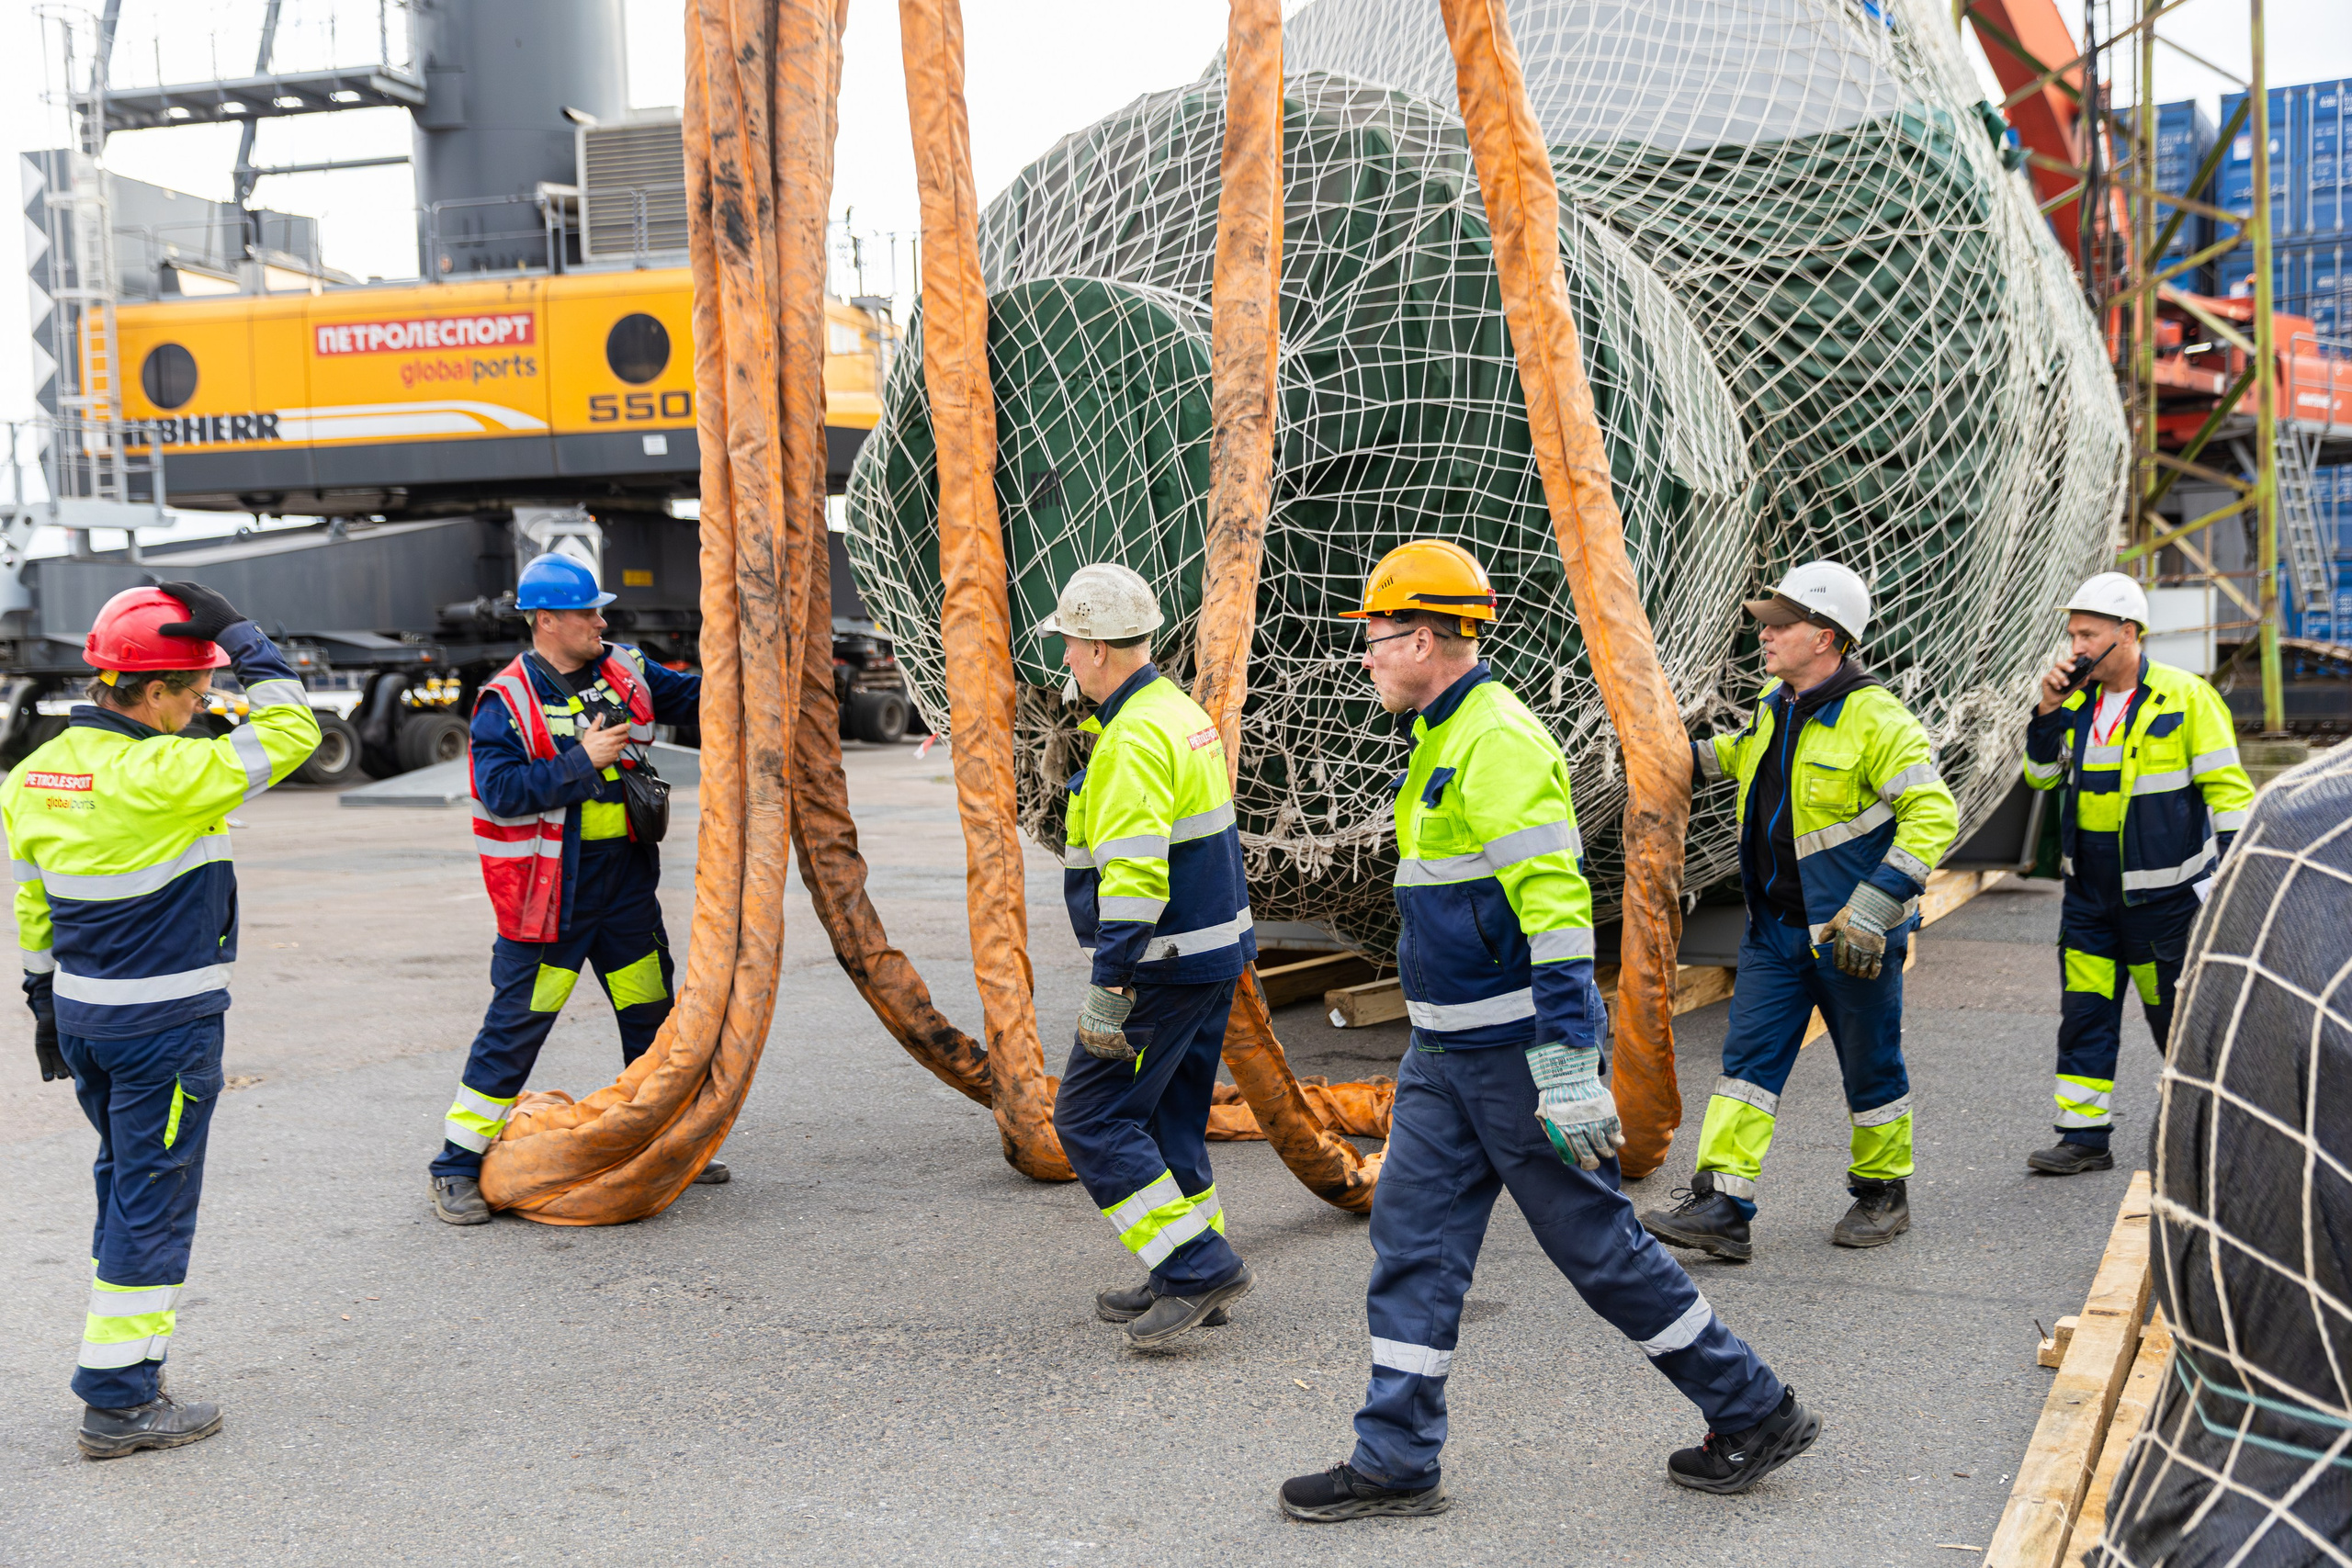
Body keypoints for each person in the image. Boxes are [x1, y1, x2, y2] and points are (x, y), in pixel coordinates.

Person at [1278, 540, 1816, 1522]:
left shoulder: (1496, 741)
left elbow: (1558, 914)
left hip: (1515, 1059)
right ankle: (1395, 1458)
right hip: (1444, 1055)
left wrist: (1567, 1063)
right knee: (1412, 1243)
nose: (1366, 654)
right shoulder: (1444, 734)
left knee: (1598, 1249)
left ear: (1427, 639)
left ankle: (1752, 1407)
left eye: (1377, 635)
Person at [6, 582, 320, 1458]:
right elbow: (294, 730)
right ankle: (118, 1401)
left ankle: (130, 1363)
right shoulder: (166, 773)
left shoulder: (34, 774)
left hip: (82, 1018)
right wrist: (244, 635)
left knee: (125, 1183)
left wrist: (41, 997)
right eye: (194, 690)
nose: (203, 706)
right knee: (153, 1200)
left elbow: (34, 901)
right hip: (163, 1027)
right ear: (150, 692)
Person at [1641, 562, 1955, 1260]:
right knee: (1746, 1066)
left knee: (1871, 1067)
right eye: (1767, 623)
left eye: (1781, 625)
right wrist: (1675, 758)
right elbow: (1748, 755)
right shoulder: (1774, 703)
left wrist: (1875, 904)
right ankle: (1724, 1205)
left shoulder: (1878, 720)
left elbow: (1934, 812)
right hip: (1775, 931)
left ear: (1825, 637)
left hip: (1851, 938)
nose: (1765, 634)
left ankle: (1882, 1192)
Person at [427, 553, 707, 1224]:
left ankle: (660, 1143)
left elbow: (703, 698)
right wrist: (583, 760)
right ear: (546, 620)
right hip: (551, 901)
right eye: (587, 613)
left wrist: (751, 658)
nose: (600, 623)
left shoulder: (626, 667)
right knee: (516, 1029)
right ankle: (455, 1166)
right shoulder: (506, 700)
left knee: (650, 1019)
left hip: (626, 891)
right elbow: (500, 792)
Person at [1044, 563, 1258, 1348]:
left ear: (1099, 648)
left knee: (1089, 1116)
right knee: (1172, 1121)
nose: (1066, 657)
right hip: (1211, 955)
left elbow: (1134, 880)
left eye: (1071, 643)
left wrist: (1110, 987)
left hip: (1159, 965)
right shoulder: (1176, 710)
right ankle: (1185, 1269)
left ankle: (1199, 1266)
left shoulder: (1132, 737)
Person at [2017, 571, 2252, 1175]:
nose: (2076, 647)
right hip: (2088, 899)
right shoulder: (2075, 704)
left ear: (2127, 633)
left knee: (2175, 1023)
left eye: (2087, 635)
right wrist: (2047, 711)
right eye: (2073, 635)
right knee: (2085, 1015)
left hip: (2163, 904)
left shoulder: (2186, 697)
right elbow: (2040, 778)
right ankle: (2083, 1136)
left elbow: (2229, 794)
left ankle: (2209, 1136)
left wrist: (2235, 880)